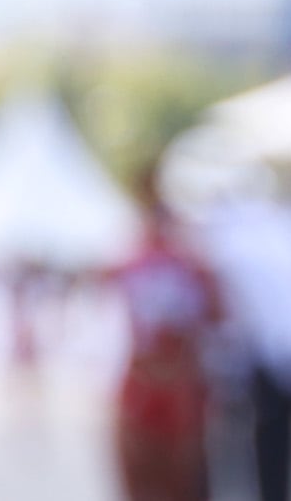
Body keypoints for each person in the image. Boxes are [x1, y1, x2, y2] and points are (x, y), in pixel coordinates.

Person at [194, 174, 291, 501]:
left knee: (256, 457)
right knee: (263, 457)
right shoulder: (285, 232)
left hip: (262, 363)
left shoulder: (238, 237)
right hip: (266, 362)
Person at [112, 172, 224, 501]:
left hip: (157, 386)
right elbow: (217, 319)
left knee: (152, 483)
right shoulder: (192, 265)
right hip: (170, 386)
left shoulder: (133, 262)